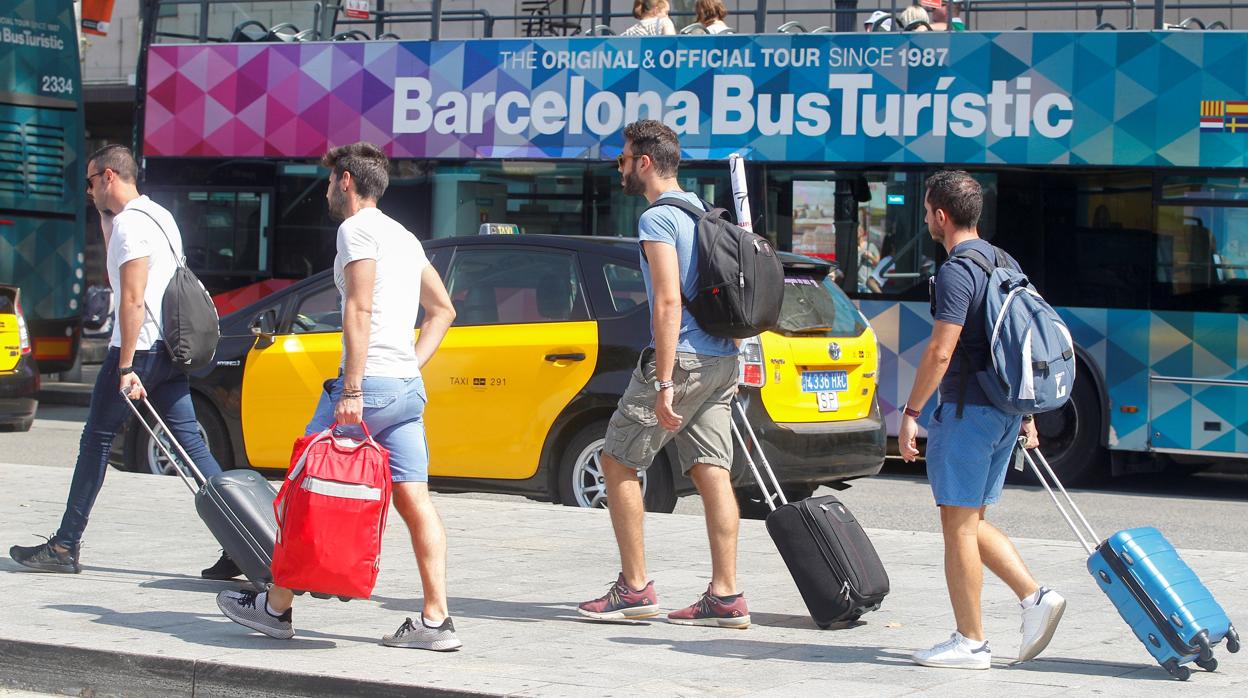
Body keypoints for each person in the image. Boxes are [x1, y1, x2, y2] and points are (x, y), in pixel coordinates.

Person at [215, 142, 461, 650]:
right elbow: (444, 312)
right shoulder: (405, 236)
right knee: (416, 501)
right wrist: (409, 368)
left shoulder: (357, 229)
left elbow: (359, 309)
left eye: (329, 181)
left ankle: (276, 608)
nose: (327, 189)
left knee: (301, 486)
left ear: (346, 181)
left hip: (364, 386)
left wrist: (352, 387)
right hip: (404, 391)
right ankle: (437, 622)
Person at [9, 144, 237, 579]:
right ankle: (241, 544)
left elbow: (131, 299)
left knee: (94, 441)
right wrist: (102, 213)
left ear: (109, 176)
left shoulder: (132, 226)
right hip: (169, 351)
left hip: (141, 350)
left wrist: (126, 366)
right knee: (193, 448)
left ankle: (65, 544)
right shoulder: (157, 216)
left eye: (91, 182)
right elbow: (121, 265)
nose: (88, 190)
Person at [578, 120, 748, 629]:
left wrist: (667, 380)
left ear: (644, 163)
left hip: (684, 360)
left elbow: (668, 301)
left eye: (623, 160)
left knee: (617, 460)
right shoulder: (703, 211)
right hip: (721, 358)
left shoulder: (658, 220)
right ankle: (726, 594)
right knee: (712, 471)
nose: (621, 169)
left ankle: (633, 588)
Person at [899, 171, 1065, 670]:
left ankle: (970, 641)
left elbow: (941, 350)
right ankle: (1035, 598)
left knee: (957, 525)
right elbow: (1021, 339)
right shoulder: (1002, 260)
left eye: (927, 211)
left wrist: (910, 413)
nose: (927, 218)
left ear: (941, 216)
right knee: (971, 520)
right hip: (1005, 410)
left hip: (969, 411)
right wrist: (1027, 414)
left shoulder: (955, 271)